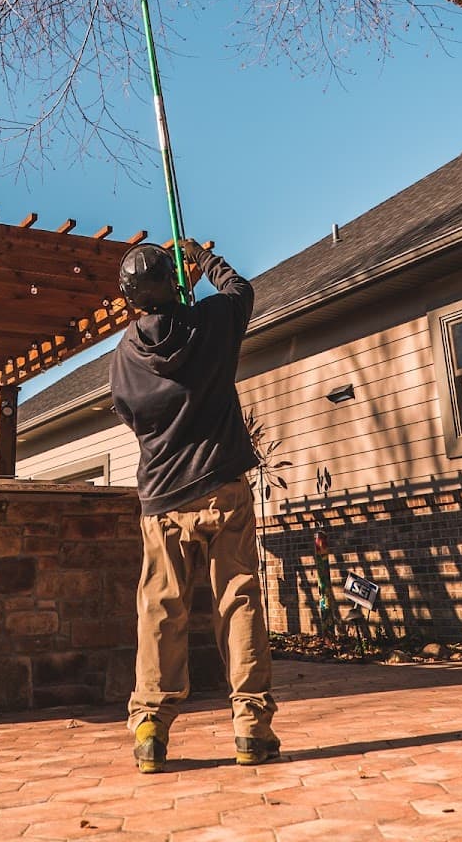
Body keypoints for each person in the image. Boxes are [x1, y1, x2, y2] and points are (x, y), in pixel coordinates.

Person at [110, 238, 279, 774]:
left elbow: (129, 416)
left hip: (163, 500)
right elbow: (240, 290)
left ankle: (151, 728)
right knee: (239, 599)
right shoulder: (212, 321)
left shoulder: (125, 356)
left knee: (161, 608)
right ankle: (250, 724)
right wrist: (202, 260)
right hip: (223, 486)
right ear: (174, 283)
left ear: (132, 299)